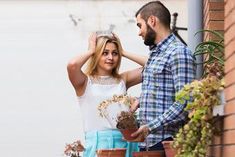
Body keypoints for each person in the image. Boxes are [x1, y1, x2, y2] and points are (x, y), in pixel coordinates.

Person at [130, 0, 196, 153]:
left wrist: (150, 127)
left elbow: (186, 102)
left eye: (140, 25)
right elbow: (164, 92)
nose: (139, 32)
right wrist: (141, 101)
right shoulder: (155, 55)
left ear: (152, 20)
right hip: (148, 144)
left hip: (167, 143)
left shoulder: (179, 53)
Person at [67, 32, 147, 157]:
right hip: (98, 144)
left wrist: (124, 52)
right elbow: (72, 65)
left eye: (114, 53)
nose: (110, 57)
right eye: (105, 53)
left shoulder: (123, 79)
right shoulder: (84, 82)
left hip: (127, 142)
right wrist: (91, 50)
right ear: (96, 54)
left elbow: (153, 65)